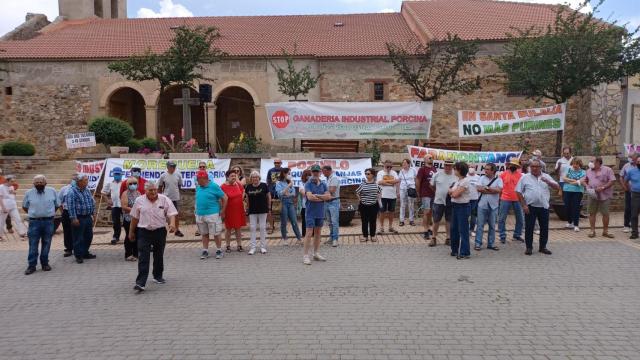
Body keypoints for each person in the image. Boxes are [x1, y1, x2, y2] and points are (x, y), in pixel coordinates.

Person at [128, 181, 177, 292]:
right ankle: (141, 282)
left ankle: (157, 276)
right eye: (151, 190)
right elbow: (135, 217)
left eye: (155, 189)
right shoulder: (139, 201)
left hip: (159, 231)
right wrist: (131, 232)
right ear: (146, 191)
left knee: (158, 254)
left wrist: (172, 224)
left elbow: (171, 213)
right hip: (143, 232)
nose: (154, 192)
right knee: (143, 257)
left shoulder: (164, 199)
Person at [516, 159, 559, 256]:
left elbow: (557, 187)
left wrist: (548, 181)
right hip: (530, 207)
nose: (534, 168)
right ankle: (529, 247)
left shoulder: (546, 176)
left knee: (544, 228)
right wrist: (524, 205)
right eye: (532, 167)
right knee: (529, 228)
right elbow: (518, 191)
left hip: (543, 206)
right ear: (530, 167)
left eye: (536, 166)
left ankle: (543, 247)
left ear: (541, 168)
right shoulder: (525, 177)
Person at [22, 175, 59, 275]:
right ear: (33, 184)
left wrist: (49, 213)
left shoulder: (52, 191)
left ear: (45, 183)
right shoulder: (28, 193)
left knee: (47, 242)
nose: (39, 184)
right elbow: (25, 207)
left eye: (41, 182)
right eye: (36, 182)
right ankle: (31, 266)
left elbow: (56, 205)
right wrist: (35, 213)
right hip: (34, 222)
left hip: (48, 222)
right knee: (33, 244)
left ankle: (45, 263)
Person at [302, 165, 332, 265]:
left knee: (318, 233)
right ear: (311, 172)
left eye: (317, 171)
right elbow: (310, 197)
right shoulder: (308, 183)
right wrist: (322, 198)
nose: (315, 173)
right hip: (310, 212)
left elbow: (328, 197)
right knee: (309, 233)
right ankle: (306, 256)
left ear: (320, 173)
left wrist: (318, 196)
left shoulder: (323, 184)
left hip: (320, 212)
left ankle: (316, 253)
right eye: (314, 171)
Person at [195, 170, 227, 259]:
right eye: (197, 179)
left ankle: (219, 250)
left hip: (212, 214)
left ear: (205, 179)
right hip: (200, 214)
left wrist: (223, 210)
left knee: (216, 233)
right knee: (204, 233)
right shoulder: (198, 187)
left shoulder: (214, 186)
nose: (197, 181)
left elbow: (225, 197)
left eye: (198, 179)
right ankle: (205, 251)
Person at [66, 174, 97, 264]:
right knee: (78, 238)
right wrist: (73, 218)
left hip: (87, 217)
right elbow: (71, 206)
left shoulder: (87, 190)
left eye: (87, 180)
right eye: (85, 180)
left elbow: (92, 202)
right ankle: (78, 255)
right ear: (79, 182)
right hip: (78, 218)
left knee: (88, 236)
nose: (87, 182)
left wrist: (93, 213)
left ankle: (85, 252)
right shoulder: (72, 192)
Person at [585, 156, 616, 238]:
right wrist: (587, 187)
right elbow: (585, 180)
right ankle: (592, 231)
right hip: (593, 194)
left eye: (592, 161)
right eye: (590, 161)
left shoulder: (607, 170)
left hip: (605, 195)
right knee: (592, 213)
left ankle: (605, 231)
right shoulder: (588, 171)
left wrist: (603, 187)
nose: (590, 163)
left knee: (605, 213)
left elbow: (612, 181)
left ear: (598, 162)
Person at [474, 163, 503, 251]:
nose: (485, 171)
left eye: (487, 169)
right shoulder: (481, 178)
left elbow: (499, 190)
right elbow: (478, 188)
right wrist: (492, 190)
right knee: (480, 225)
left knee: (492, 226)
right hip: (482, 205)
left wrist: (487, 189)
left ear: (493, 171)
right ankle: (478, 243)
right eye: (485, 169)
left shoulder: (499, 179)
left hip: (493, 206)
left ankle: (491, 244)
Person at [429, 160, 457, 247]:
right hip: (438, 201)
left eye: (450, 165)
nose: (448, 167)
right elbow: (431, 185)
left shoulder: (456, 175)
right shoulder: (437, 174)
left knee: (449, 220)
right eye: (446, 165)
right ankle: (433, 238)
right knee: (436, 220)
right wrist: (438, 192)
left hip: (451, 201)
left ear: (452, 166)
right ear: (444, 165)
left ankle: (448, 238)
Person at [448, 162, 472, 259]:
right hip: (455, 206)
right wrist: (452, 191)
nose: (454, 170)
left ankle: (465, 252)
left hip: (463, 207)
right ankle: (454, 249)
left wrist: (452, 192)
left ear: (460, 170)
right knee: (453, 229)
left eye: (455, 169)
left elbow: (454, 194)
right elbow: (449, 191)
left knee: (463, 230)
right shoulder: (458, 181)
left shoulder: (465, 181)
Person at [499, 158, 524, 243]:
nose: (512, 166)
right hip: (505, 198)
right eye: (511, 164)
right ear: (509, 165)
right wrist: (500, 197)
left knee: (520, 218)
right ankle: (502, 236)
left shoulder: (521, 176)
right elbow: (499, 187)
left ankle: (517, 235)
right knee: (502, 218)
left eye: (514, 165)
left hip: (517, 199)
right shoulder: (503, 174)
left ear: (517, 166)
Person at [245, 171, 271, 255]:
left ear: (259, 178)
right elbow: (247, 198)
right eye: (253, 177)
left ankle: (263, 247)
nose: (255, 178)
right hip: (252, 210)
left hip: (263, 209)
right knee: (252, 228)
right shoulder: (248, 187)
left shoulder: (264, 185)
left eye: (256, 177)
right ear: (251, 178)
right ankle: (253, 247)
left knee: (262, 227)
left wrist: (269, 207)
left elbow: (268, 196)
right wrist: (247, 208)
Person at [221, 170, 246, 252]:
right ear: (227, 177)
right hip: (228, 210)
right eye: (232, 176)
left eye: (235, 176)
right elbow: (220, 199)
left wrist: (241, 200)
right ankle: (228, 246)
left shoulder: (238, 184)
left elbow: (243, 192)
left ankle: (239, 245)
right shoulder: (223, 187)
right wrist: (222, 211)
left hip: (238, 209)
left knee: (238, 228)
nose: (234, 177)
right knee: (228, 228)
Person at [276, 168, 302, 246]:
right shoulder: (279, 183)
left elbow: (293, 193)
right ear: (284, 173)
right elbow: (280, 194)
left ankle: (299, 238)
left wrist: (287, 191)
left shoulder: (290, 182)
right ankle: (285, 238)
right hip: (283, 203)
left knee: (294, 221)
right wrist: (288, 187)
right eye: (288, 173)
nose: (290, 175)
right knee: (284, 222)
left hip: (290, 203)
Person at [158, 161, 184, 237]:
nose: (173, 168)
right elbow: (160, 187)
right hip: (166, 197)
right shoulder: (163, 175)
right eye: (171, 167)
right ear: (167, 167)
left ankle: (177, 230)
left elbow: (179, 185)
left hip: (175, 198)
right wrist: (159, 197)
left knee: (176, 214)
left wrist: (176, 193)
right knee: (164, 214)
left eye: (174, 167)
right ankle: (167, 227)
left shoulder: (178, 175)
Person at [356, 168, 381, 243]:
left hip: (373, 205)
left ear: (372, 175)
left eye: (368, 173)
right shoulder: (363, 183)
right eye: (366, 173)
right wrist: (360, 199)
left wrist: (378, 198)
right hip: (364, 206)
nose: (366, 175)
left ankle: (373, 236)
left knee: (373, 221)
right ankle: (365, 236)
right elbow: (357, 192)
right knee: (364, 221)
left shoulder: (376, 184)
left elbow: (379, 192)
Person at [561, 158, 586, 232]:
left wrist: (570, 181)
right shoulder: (568, 170)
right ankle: (569, 222)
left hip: (578, 191)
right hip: (567, 190)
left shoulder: (583, 172)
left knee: (575, 207)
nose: (575, 165)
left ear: (580, 164)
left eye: (577, 164)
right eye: (574, 163)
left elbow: (581, 181)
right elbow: (564, 178)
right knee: (567, 206)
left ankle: (576, 225)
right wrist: (575, 181)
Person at [101, 166, 124, 244]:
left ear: (121, 174)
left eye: (119, 174)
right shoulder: (109, 183)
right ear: (113, 174)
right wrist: (107, 200)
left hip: (124, 206)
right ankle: (116, 237)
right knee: (115, 222)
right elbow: (103, 193)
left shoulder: (124, 183)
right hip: (115, 206)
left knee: (127, 222)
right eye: (116, 174)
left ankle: (129, 237)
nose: (117, 175)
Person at [120, 177, 141, 261]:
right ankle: (128, 254)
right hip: (128, 218)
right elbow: (124, 207)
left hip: (138, 218)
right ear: (127, 185)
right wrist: (134, 210)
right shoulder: (125, 194)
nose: (133, 185)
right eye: (131, 184)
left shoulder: (138, 193)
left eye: (135, 183)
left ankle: (136, 254)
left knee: (137, 235)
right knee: (129, 235)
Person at [416, 154, 436, 240]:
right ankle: (425, 230)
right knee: (426, 212)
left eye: (432, 158)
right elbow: (418, 181)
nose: (431, 159)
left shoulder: (434, 169)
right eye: (429, 158)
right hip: (425, 193)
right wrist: (418, 192)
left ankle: (428, 228)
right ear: (425, 160)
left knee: (431, 212)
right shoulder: (422, 169)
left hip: (433, 193)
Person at [0, 175, 27, 239]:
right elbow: (0, 198)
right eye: (11, 181)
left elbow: (13, 195)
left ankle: (22, 233)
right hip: (5, 206)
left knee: (18, 219)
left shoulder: (11, 187)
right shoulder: (1, 187)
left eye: (13, 181)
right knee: (1, 221)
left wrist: (14, 192)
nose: (13, 182)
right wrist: (3, 208)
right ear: (7, 181)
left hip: (13, 206)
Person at [58, 173, 78, 257]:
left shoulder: (81, 189)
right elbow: (59, 201)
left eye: (76, 179)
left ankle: (78, 248)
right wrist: (62, 211)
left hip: (78, 212)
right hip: (66, 212)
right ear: (71, 180)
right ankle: (68, 249)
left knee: (78, 231)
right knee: (67, 231)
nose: (75, 181)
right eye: (73, 179)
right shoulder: (64, 189)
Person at [377, 160, 399, 235]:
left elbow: (397, 181)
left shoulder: (394, 173)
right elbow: (380, 182)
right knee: (382, 212)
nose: (389, 168)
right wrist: (391, 182)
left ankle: (390, 226)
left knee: (391, 212)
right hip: (383, 195)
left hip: (392, 195)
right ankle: (382, 227)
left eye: (390, 166)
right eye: (387, 166)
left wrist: (386, 182)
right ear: (384, 166)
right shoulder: (380, 173)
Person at [322, 165, 341, 247]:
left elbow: (331, 190)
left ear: (328, 171)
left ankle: (335, 239)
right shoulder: (326, 179)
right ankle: (331, 238)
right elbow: (327, 190)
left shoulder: (334, 178)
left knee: (334, 222)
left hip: (333, 202)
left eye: (323, 171)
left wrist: (322, 191)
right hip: (326, 202)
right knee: (329, 222)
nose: (322, 173)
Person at [620, 152, 638, 233]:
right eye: (629, 157)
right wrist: (624, 187)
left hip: (637, 191)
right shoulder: (626, 166)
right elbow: (621, 176)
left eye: (631, 157)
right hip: (629, 190)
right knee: (628, 207)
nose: (630, 158)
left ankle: (633, 225)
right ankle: (626, 225)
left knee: (636, 208)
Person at [398, 159, 417, 227]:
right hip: (402, 189)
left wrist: (416, 188)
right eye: (403, 163)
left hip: (411, 189)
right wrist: (398, 191)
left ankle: (411, 220)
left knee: (411, 205)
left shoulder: (413, 170)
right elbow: (399, 181)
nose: (403, 164)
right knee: (402, 204)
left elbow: (416, 179)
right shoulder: (401, 171)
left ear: (409, 164)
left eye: (405, 163)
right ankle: (401, 220)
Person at [266, 158, 283, 233]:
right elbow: (268, 180)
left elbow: (287, 180)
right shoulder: (270, 170)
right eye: (275, 163)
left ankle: (283, 227)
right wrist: (269, 189)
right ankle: (271, 226)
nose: (276, 164)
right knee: (270, 210)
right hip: (272, 192)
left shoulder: (284, 170)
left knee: (283, 210)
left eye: (278, 163)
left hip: (281, 192)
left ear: (281, 163)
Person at [625, 156, 640, 239]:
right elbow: (625, 181)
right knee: (634, 214)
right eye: (638, 161)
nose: (639, 163)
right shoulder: (631, 171)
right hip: (635, 195)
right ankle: (634, 232)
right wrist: (629, 189)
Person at [467, 167, 481, 236]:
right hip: (466, 199)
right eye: (470, 167)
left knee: (473, 216)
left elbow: (480, 188)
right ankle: (465, 230)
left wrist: (479, 197)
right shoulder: (465, 176)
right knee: (466, 215)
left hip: (475, 199)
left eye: (472, 167)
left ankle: (471, 230)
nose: (471, 168)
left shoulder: (478, 177)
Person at [299, 169, 312, 237]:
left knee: (313, 220)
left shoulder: (314, 182)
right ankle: (305, 234)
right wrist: (310, 194)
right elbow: (303, 193)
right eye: (308, 175)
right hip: (305, 205)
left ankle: (313, 234)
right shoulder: (302, 183)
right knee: (304, 220)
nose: (309, 177)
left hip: (313, 205)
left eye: (310, 175)